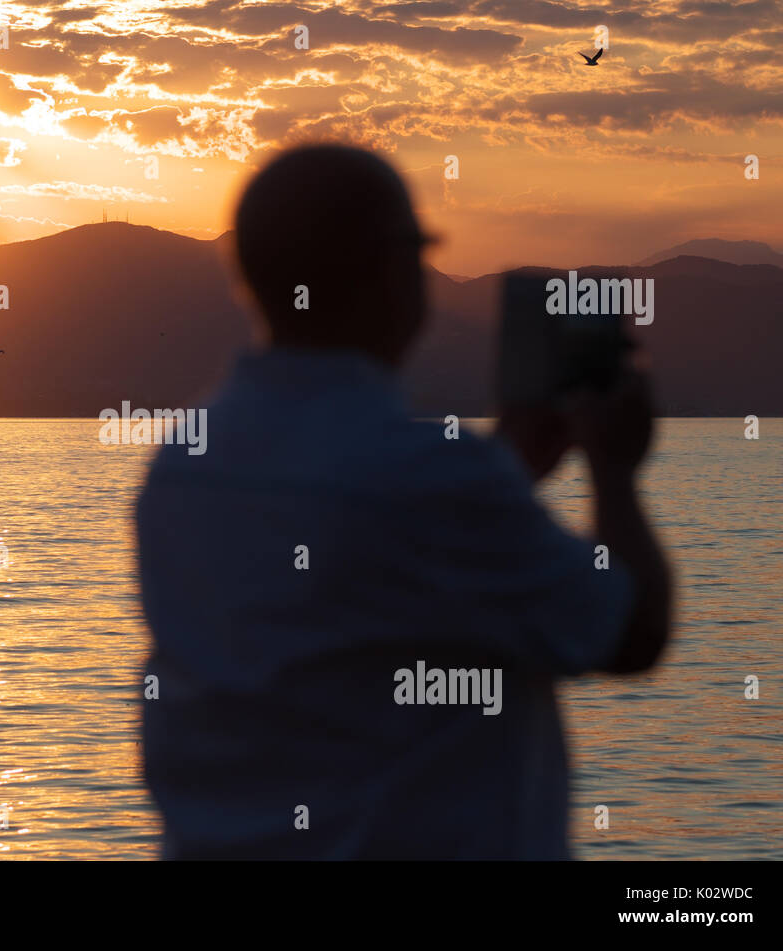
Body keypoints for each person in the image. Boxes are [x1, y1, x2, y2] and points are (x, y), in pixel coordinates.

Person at [136, 144, 672, 859]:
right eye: (419, 251)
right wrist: (614, 470)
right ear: (392, 270)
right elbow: (630, 632)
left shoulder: (183, 467)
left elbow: (346, 592)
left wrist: (502, 467)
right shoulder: (430, 480)